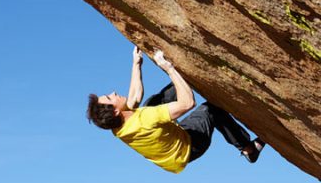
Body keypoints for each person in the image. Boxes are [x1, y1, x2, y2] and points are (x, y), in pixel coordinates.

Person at [86, 46, 264, 173]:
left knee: (151, 102)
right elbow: (188, 104)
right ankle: (249, 149)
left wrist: (136, 64)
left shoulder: (117, 127)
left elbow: (134, 97)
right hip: (190, 147)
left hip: (171, 141)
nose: (113, 92)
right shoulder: (147, 119)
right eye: (110, 97)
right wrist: (169, 68)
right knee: (211, 110)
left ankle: (182, 80)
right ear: (115, 111)